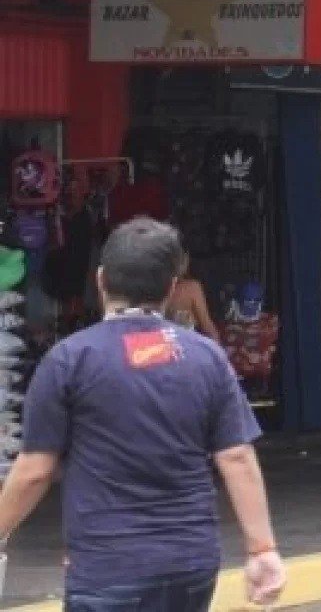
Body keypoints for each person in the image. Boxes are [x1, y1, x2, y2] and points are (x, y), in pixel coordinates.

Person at [0, 217, 287, 609]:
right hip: (190, 566)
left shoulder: (70, 360)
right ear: (171, 287)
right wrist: (262, 549)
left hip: (108, 567)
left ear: (101, 281)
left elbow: (35, 470)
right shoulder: (207, 358)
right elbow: (236, 457)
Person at [163, 253, 221, 344]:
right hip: (188, 346)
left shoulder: (156, 289)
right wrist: (219, 352)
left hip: (164, 346)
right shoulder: (191, 288)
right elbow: (206, 325)